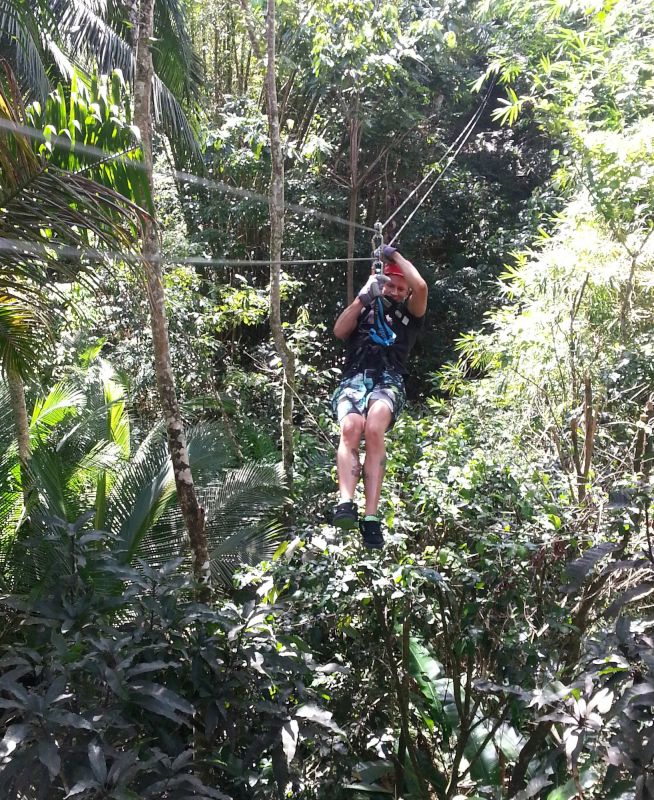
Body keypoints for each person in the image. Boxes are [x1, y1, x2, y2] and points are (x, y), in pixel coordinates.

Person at [331, 245, 428, 548]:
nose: (396, 292)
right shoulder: (366, 307)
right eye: (391, 286)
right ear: (381, 284)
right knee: (351, 427)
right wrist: (364, 297)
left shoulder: (410, 314)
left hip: (388, 380)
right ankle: (346, 503)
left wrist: (394, 256)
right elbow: (339, 330)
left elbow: (421, 287)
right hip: (354, 378)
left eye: (401, 288)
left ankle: (371, 517)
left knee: (374, 427)